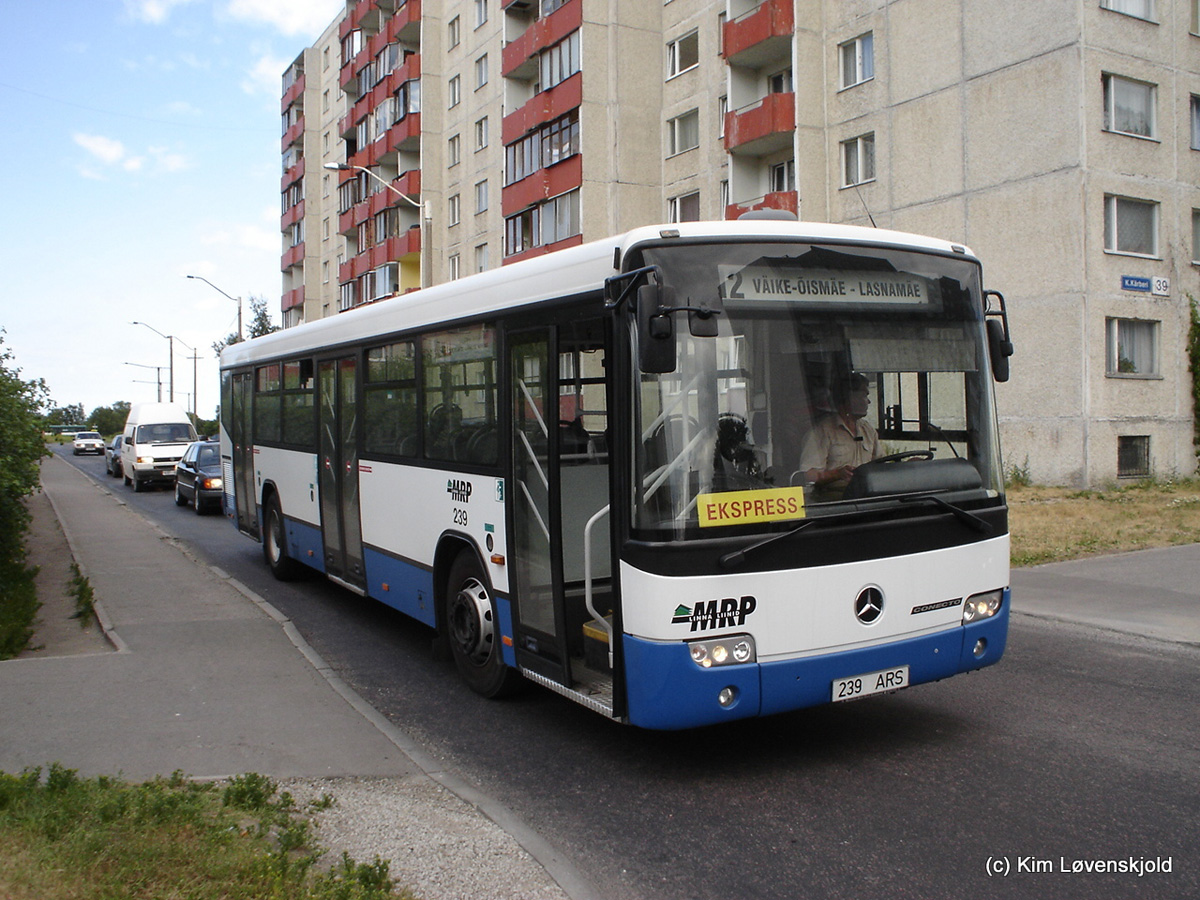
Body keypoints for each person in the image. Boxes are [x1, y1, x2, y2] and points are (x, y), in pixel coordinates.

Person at [798, 372, 880, 496]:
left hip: (866, 497)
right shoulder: (822, 431)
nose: (868, 401)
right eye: (864, 395)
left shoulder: (868, 430)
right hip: (834, 501)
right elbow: (807, 475)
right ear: (849, 398)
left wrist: (905, 465)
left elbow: (880, 464)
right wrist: (837, 474)